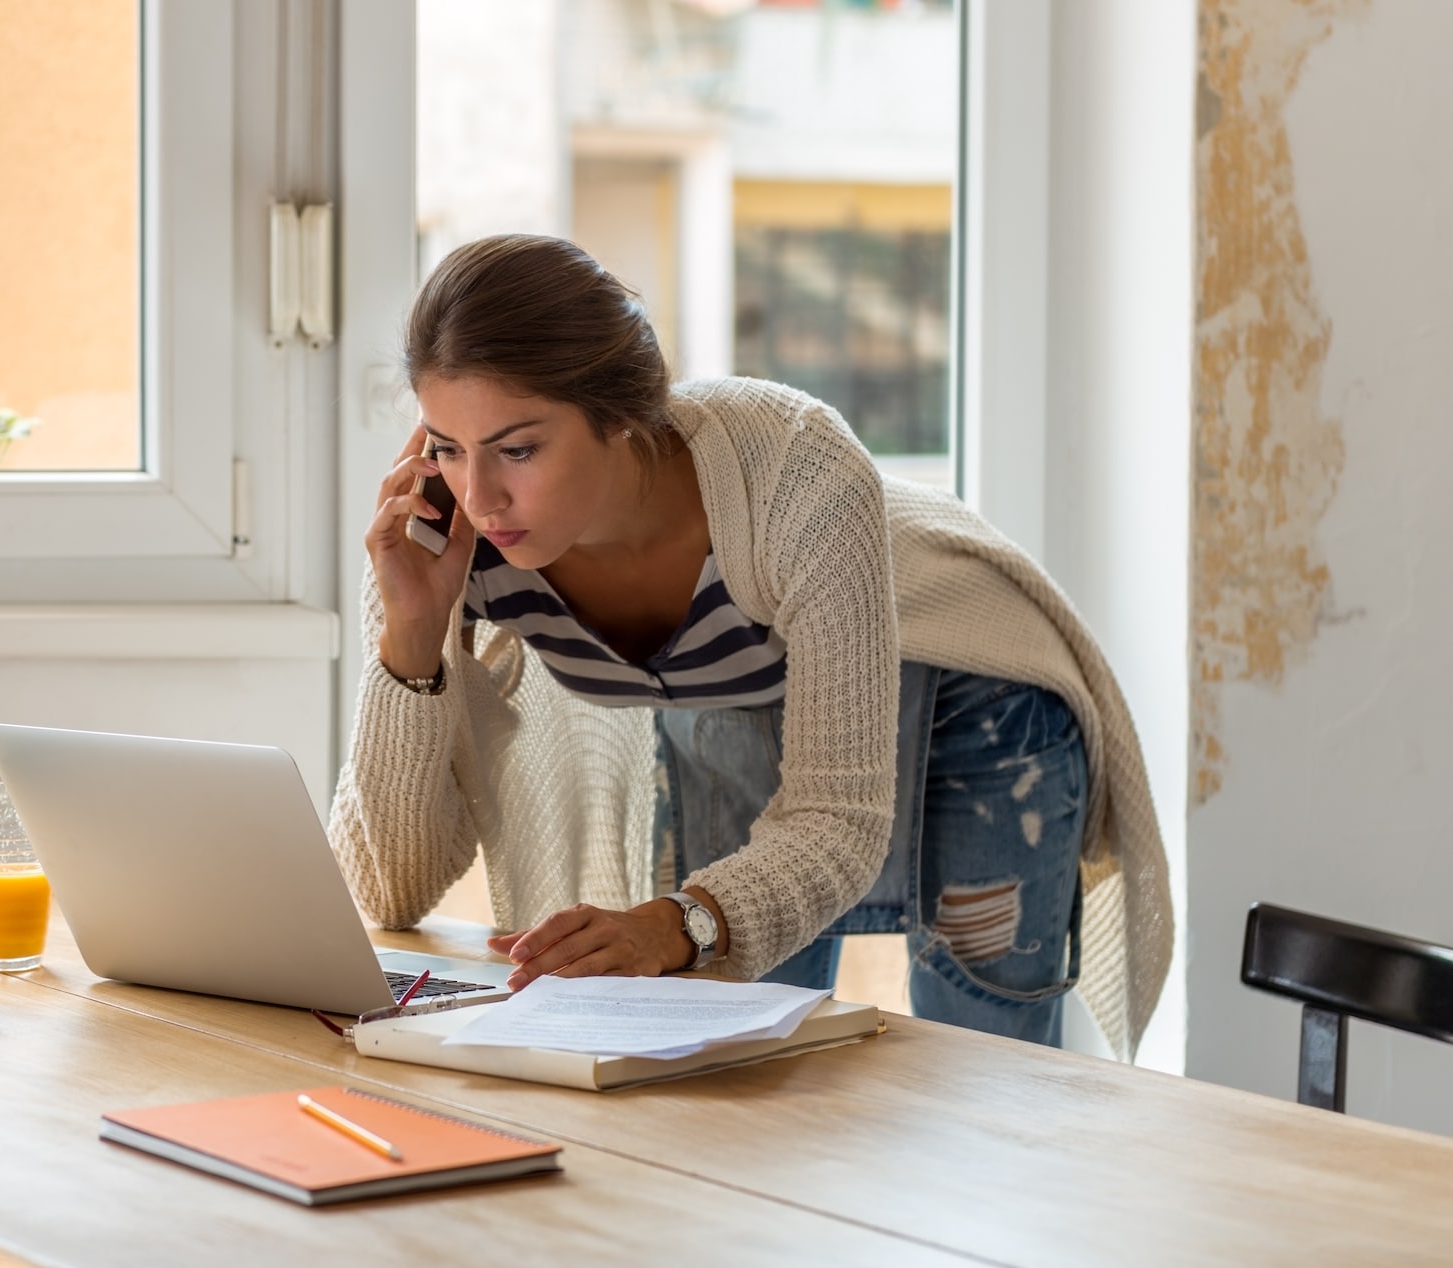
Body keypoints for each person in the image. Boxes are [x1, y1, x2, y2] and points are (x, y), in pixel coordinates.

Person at [328, 234, 1171, 1055]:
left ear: (620, 414)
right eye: (446, 446)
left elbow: (839, 820)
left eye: (518, 448)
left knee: (983, 1064)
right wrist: (412, 632)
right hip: (735, 701)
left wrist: (673, 924)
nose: (479, 496)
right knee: (737, 1046)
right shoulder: (445, 543)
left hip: (971, 696)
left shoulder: (797, 469)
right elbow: (390, 890)